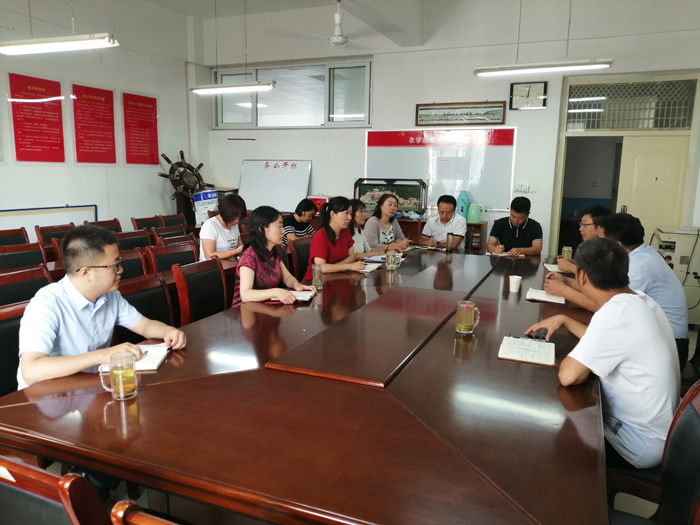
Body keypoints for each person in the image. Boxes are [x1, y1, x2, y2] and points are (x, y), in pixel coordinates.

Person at [526, 238, 679, 469]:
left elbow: (569, 376)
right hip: (661, 432)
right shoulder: (640, 301)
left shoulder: (615, 314)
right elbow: (607, 341)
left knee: (543, 430)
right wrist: (565, 319)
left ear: (583, 277)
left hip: (638, 442)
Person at [17, 225, 186, 389]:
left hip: (92, 386)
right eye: (114, 266)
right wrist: (105, 354)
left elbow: (145, 326)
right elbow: (31, 371)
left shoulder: (110, 295)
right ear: (86, 272)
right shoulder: (46, 305)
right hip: (49, 397)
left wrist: (167, 331)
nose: (121, 270)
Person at [545, 213, 690, 368]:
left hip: (668, 346)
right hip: (652, 336)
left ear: (617, 246)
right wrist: (567, 281)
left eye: (602, 240)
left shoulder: (638, 267)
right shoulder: (642, 254)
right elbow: (602, 291)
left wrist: (564, 291)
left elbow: (602, 304)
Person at [233, 206, 316, 307]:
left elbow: (287, 277)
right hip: (246, 310)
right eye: (279, 226)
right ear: (262, 228)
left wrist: (297, 286)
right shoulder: (249, 256)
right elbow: (246, 294)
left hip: (266, 307)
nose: (283, 231)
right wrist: (275, 292)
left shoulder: (272, 251)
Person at [303, 196, 366, 281]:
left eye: (350, 213)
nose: (350, 217)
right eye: (346, 213)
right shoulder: (320, 236)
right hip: (316, 282)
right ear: (332, 214)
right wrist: (349, 266)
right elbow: (321, 267)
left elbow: (351, 256)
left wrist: (335, 267)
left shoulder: (345, 231)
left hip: (336, 276)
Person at [557, 205, 610, 273]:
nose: (580, 229)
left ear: (600, 227)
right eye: (581, 224)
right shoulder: (593, 246)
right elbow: (590, 266)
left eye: (585, 224)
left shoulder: (610, 250)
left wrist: (570, 267)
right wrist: (572, 262)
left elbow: (597, 276)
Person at [199, 194, 247, 261]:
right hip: (214, 266)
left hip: (231, 264)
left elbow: (240, 247)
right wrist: (236, 251)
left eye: (240, 217)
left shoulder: (234, 225)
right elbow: (210, 256)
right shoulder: (209, 226)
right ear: (226, 213)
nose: (237, 221)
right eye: (235, 217)